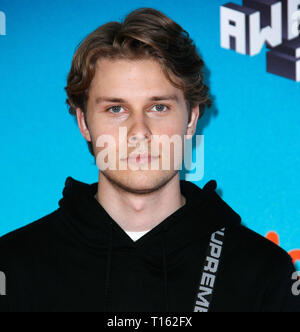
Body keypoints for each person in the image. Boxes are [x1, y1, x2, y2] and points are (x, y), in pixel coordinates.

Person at [0, 7, 299, 313]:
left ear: (192, 118)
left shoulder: (263, 272)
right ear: (84, 123)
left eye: (159, 107)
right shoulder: (13, 266)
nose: (139, 132)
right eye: (116, 109)